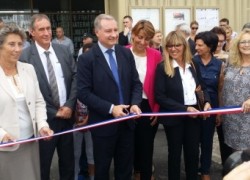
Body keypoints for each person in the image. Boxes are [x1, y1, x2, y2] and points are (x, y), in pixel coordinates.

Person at [77, 14, 142, 180]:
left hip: (127, 123)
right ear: (97, 32)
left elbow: (136, 84)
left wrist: (134, 103)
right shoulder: (87, 59)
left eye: (115, 30)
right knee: (102, 170)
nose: (114, 34)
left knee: (125, 170)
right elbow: (83, 93)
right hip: (103, 125)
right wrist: (111, 108)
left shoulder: (126, 54)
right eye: (108, 31)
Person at [19, 14, 77, 180]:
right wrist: (54, 112)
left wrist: (70, 105)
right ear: (32, 32)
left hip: (67, 118)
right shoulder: (25, 57)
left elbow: (75, 77)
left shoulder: (63, 50)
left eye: (48, 28)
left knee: (68, 164)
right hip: (44, 122)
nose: (46, 33)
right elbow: (28, 92)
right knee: (42, 167)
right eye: (41, 29)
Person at [154, 31, 211, 180]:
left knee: (193, 153)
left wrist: (206, 102)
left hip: (194, 115)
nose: (173, 49)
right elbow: (160, 97)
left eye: (177, 45)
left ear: (184, 46)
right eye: (170, 45)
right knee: (174, 154)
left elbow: (202, 87)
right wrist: (184, 109)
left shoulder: (193, 64)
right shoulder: (162, 67)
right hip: (174, 117)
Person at [0, 24, 53, 180]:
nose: (17, 49)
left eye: (19, 44)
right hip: (5, 148)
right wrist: (2, 135)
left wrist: (43, 125)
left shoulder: (28, 69)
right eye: (11, 44)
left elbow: (38, 102)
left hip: (30, 143)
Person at [127, 20, 162, 180]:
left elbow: (160, 85)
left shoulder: (156, 55)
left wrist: (156, 109)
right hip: (127, 106)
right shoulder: (123, 52)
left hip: (148, 106)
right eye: (140, 37)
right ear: (133, 35)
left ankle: (146, 175)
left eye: (147, 38)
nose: (143, 42)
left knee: (146, 147)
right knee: (128, 146)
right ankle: (135, 174)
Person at [193, 31, 222, 180]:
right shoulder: (192, 62)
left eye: (200, 45)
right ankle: (192, 168)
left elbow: (220, 89)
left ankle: (205, 170)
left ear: (210, 46)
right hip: (194, 107)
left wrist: (218, 113)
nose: (196, 47)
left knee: (207, 140)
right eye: (196, 44)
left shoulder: (219, 64)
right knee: (193, 140)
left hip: (212, 108)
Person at [221, 30, 250, 153]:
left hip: (248, 116)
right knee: (236, 153)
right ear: (238, 45)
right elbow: (222, 85)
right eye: (243, 42)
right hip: (231, 117)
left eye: (249, 42)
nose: (246, 45)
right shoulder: (231, 63)